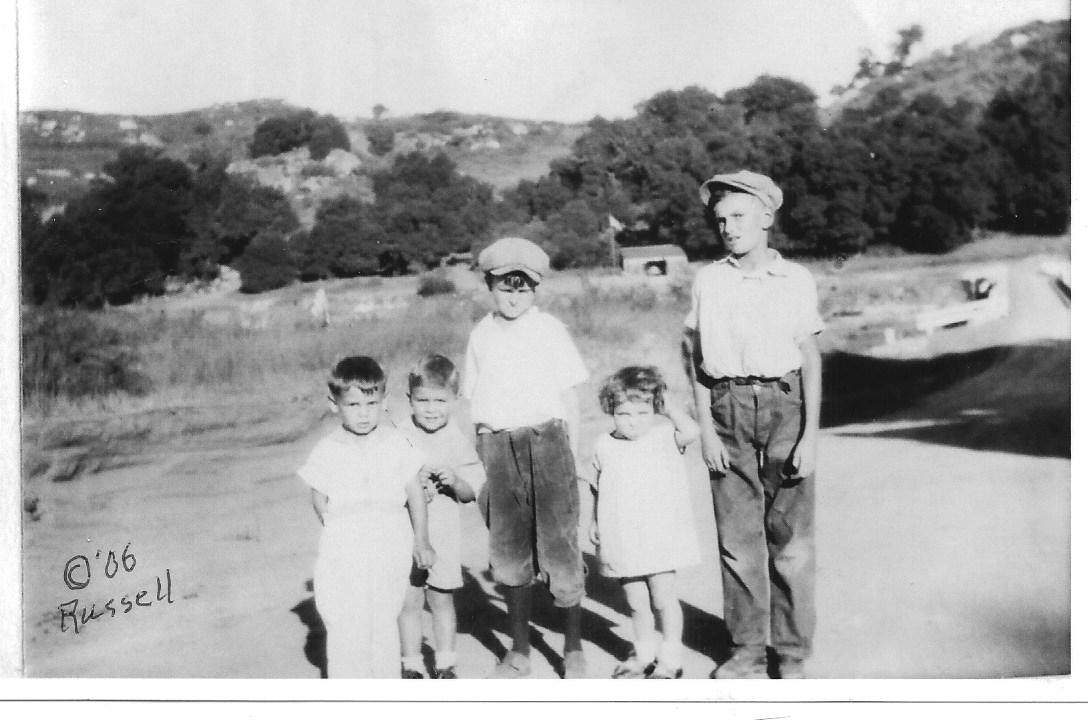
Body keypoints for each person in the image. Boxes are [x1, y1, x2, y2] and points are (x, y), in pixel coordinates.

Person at [685, 170, 824, 680]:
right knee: (737, 541)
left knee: (790, 542)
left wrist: (809, 435)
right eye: (720, 219)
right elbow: (696, 359)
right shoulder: (709, 279)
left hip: (785, 405)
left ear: (767, 218)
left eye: (739, 216)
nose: (728, 227)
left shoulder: (795, 279)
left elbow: (810, 358)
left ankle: (789, 653)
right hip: (726, 409)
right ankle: (745, 649)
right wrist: (705, 428)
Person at [464, 236, 590, 679]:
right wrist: (482, 452)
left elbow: (570, 397)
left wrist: (571, 454)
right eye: (504, 287)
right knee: (508, 547)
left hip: (549, 444)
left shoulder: (549, 330)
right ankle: (519, 650)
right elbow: (475, 403)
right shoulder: (480, 334)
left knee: (558, 544)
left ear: (535, 290)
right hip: (498, 448)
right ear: (489, 285)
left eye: (523, 288)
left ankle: (573, 647)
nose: (513, 297)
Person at [298, 356, 435, 678]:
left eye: (371, 403)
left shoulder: (395, 442)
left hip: (390, 541)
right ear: (335, 404)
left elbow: (415, 492)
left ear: (384, 402)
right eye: (354, 404)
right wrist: (339, 533)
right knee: (345, 618)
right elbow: (318, 497)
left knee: (383, 618)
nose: (363, 413)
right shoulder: (327, 448)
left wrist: (422, 540)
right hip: (346, 544)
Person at [589, 366, 701, 679]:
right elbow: (597, 486)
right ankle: (642, 654)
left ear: (655, 409)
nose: (633, 421)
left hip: (658, 534)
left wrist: (669, 406)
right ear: (611, 410)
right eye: (624, 413)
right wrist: (594, 521)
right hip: (622, 535)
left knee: (664, 597)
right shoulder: (603, 445)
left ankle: (670, 658)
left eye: (642, 412)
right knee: (636, 601)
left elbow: (692, 432)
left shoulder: (664, 436)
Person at [397, 354, 486, 679]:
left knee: (441, 600)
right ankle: (412, 664)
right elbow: (382, 485)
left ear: (455, 400)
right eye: (422, 400)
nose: (431, 408)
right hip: (405, 536)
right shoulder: (399, 435)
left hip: (444, 537)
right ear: (410, 400)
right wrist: (408, 484)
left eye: (439, 400)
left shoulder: (457, 440)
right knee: (408, 601)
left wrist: (454, 481)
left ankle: (446, 664)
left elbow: (470, 493)